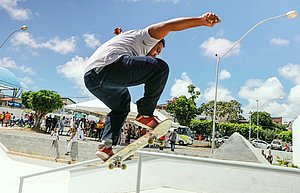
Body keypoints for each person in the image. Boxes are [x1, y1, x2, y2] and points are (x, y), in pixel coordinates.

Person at [84, 12, 221, 160]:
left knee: (122, 106)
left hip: (92, 79)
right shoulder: (146, 36)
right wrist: (200, 21)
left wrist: (119, 33)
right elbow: (169, 26)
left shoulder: (131, 41)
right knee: (160, 68)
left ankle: (106, 145)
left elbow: (124, 40)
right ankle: (145, 114)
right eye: (157, 49)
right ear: (154, 41)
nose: (156, 54)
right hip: (109, 67)